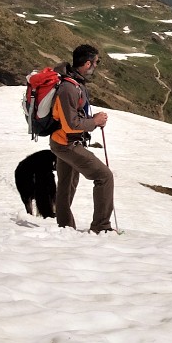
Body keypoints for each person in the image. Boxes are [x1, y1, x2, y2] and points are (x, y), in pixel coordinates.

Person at [50, 44, 114, 233]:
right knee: (104, 176)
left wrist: (92, 121)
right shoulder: (69, 88)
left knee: (66, 186)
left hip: (62, 141)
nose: (96, 66)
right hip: (66, 143)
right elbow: (71, 124)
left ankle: (65, 228)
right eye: (96, 62)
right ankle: (101, 227)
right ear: (87, 63)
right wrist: (94, 121)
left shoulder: (73, 82)